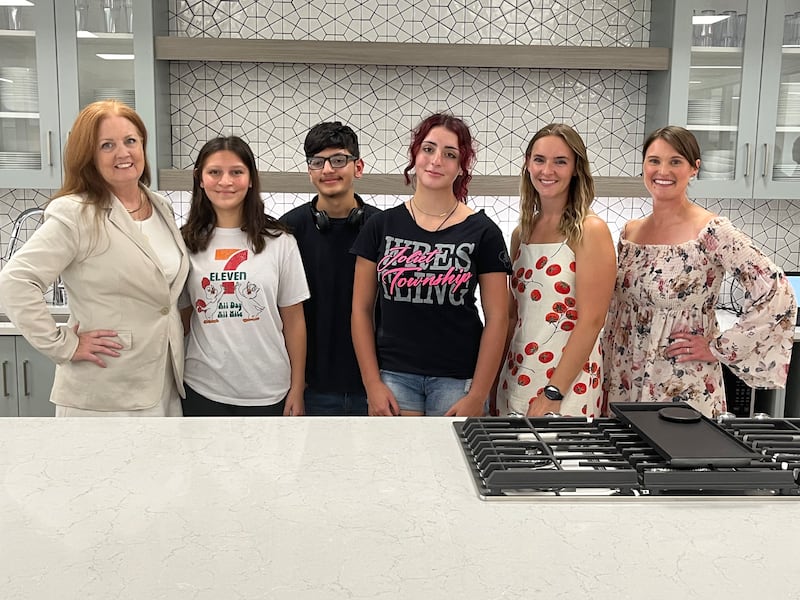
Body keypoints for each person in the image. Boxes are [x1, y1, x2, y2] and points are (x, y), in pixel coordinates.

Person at [0, 100, 189, 416]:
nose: (123, 153)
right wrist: (65, 345)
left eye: (131, 140)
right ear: (88, 156)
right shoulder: (76, 213)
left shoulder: (160, 207)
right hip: (104, 390)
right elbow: (16, 281)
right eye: (107, 145)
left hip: (162, 385)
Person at [602, 126, 797, 418]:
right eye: (654, 160)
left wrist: (720, 348)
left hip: (679, 379)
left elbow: (775, 290)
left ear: (694, 169)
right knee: (623, 459)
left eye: (675, 161)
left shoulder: (711, 231)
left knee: (677, 459)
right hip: (623, 372)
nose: (662, 170)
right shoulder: (631, 232)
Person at [351, 112, 512, 417]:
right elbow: (360, 310)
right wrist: (372, 383)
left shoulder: (483, 231)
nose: (436, 160)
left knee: (452, 464)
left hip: (457, 379)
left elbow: (498, 318)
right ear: (415, 154)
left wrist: (478, 394)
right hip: (394, 376)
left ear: (462, 166)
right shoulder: (380, 226)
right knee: (397, 464)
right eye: (428, 148)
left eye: (450, 154)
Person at [180, 136, 309, 416]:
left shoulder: (280, 241)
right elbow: (180, 319)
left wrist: (297, 388)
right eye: (214, 172)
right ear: (200, 179)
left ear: (251, 179)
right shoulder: (184, 242)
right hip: (202, 388)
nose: (225, 181)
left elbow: (294, 320)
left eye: (236, 172)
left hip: (268, 390)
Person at [494, 124, 616, 418]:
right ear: (527, 164)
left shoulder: (590, 230)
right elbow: (513, 316)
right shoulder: (522, 232)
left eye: (560, 161)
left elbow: (592, 321)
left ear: (576, 168)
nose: (547, 170)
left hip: (566, 384)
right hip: (518, 372)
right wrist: (495, 378)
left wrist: (554, 392)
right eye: (539, 160)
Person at [280, 122, 381, 416]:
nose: (328, 169)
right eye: (317, 161)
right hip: (311, 387)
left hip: (375, 385)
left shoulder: (382, 228)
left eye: (338, 160)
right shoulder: (288, 231)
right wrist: (295, 387)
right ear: (309, 170)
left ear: (358, 167)